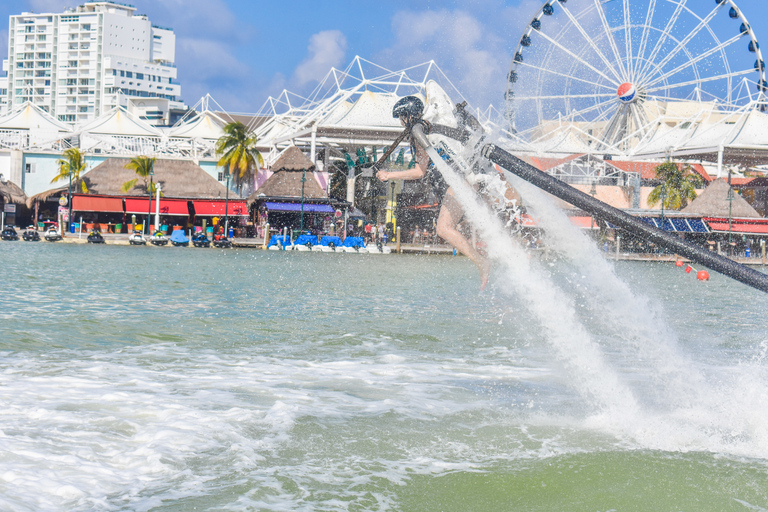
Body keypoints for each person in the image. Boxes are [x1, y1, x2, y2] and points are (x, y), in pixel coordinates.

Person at [377, 95, 509, 289]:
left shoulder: (418, 133)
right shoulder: (435, 124)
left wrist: (389, 175)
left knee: (444, 228)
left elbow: (419, 171)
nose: (400, 122)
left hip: (460, 182)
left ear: (408, 117)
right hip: (472, 177)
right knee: (483, 222)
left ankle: (482, 262)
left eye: (401, 118)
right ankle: (515, 252)